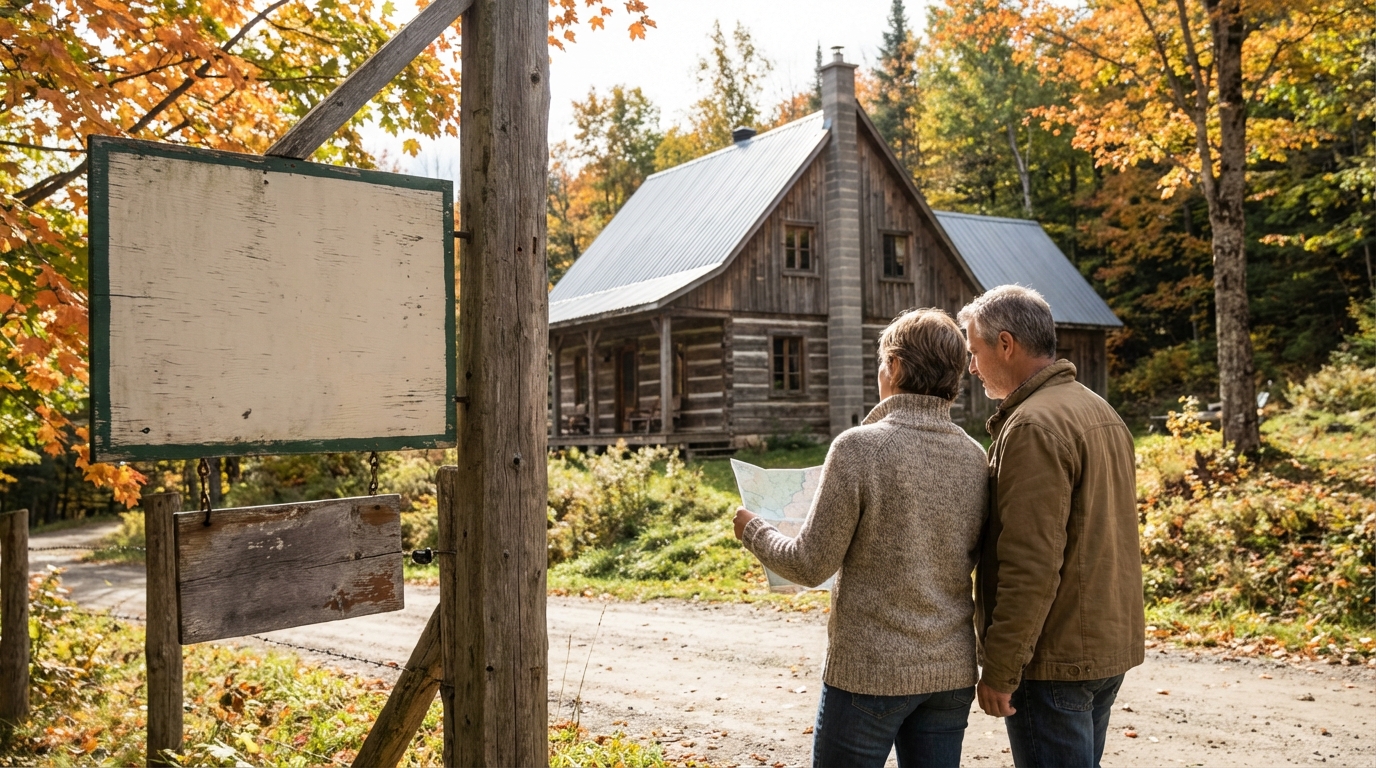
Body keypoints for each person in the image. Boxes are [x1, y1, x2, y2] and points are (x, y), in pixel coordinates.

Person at [732, 308, 988, 768]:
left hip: (870, 673)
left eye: (882, 363)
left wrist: (754, 530)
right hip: (950, 673)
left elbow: (809, 566)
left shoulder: (859, 448)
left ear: (896, 366)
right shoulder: (974, 456)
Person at [956, 285, 1144, 768]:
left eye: (974, 351)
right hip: (1102, 646)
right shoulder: (1100, 410)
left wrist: (1001, 668)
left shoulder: (1032, 426)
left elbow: (1030, 563)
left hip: (1053, 658)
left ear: (1005, 344)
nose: (971, 367)